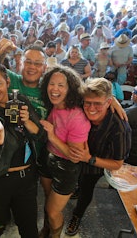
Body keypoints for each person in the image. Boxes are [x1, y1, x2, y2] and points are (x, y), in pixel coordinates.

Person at [0, 59, 45, 237]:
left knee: (29, 229)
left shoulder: (20, 100)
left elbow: (40, 135)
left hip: (26, 180)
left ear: (7, 82)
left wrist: (27, 120)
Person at [64, 77, 131, 236]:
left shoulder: (120, 128)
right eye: (88, 102)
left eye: (98, 103)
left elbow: (117, 164)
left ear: (108, 103)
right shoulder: (83, 104)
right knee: (79, 181)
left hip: (96, 165)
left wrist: (88, 158)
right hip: (77, 160)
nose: (91, 108)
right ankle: (78, 190)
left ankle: (77, 216)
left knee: (86, 189)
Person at [39, 65, 91, 238]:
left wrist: (53, 137)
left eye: (61, 85)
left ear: (70, 89)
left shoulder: (76, 117)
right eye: (52, 84)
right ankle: (46, 229)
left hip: (66, 166)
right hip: (47, 158)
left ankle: (55, 235)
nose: (55, 89)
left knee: (53, 211)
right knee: (48, 200)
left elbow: (74, 157)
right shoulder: (53, 104)